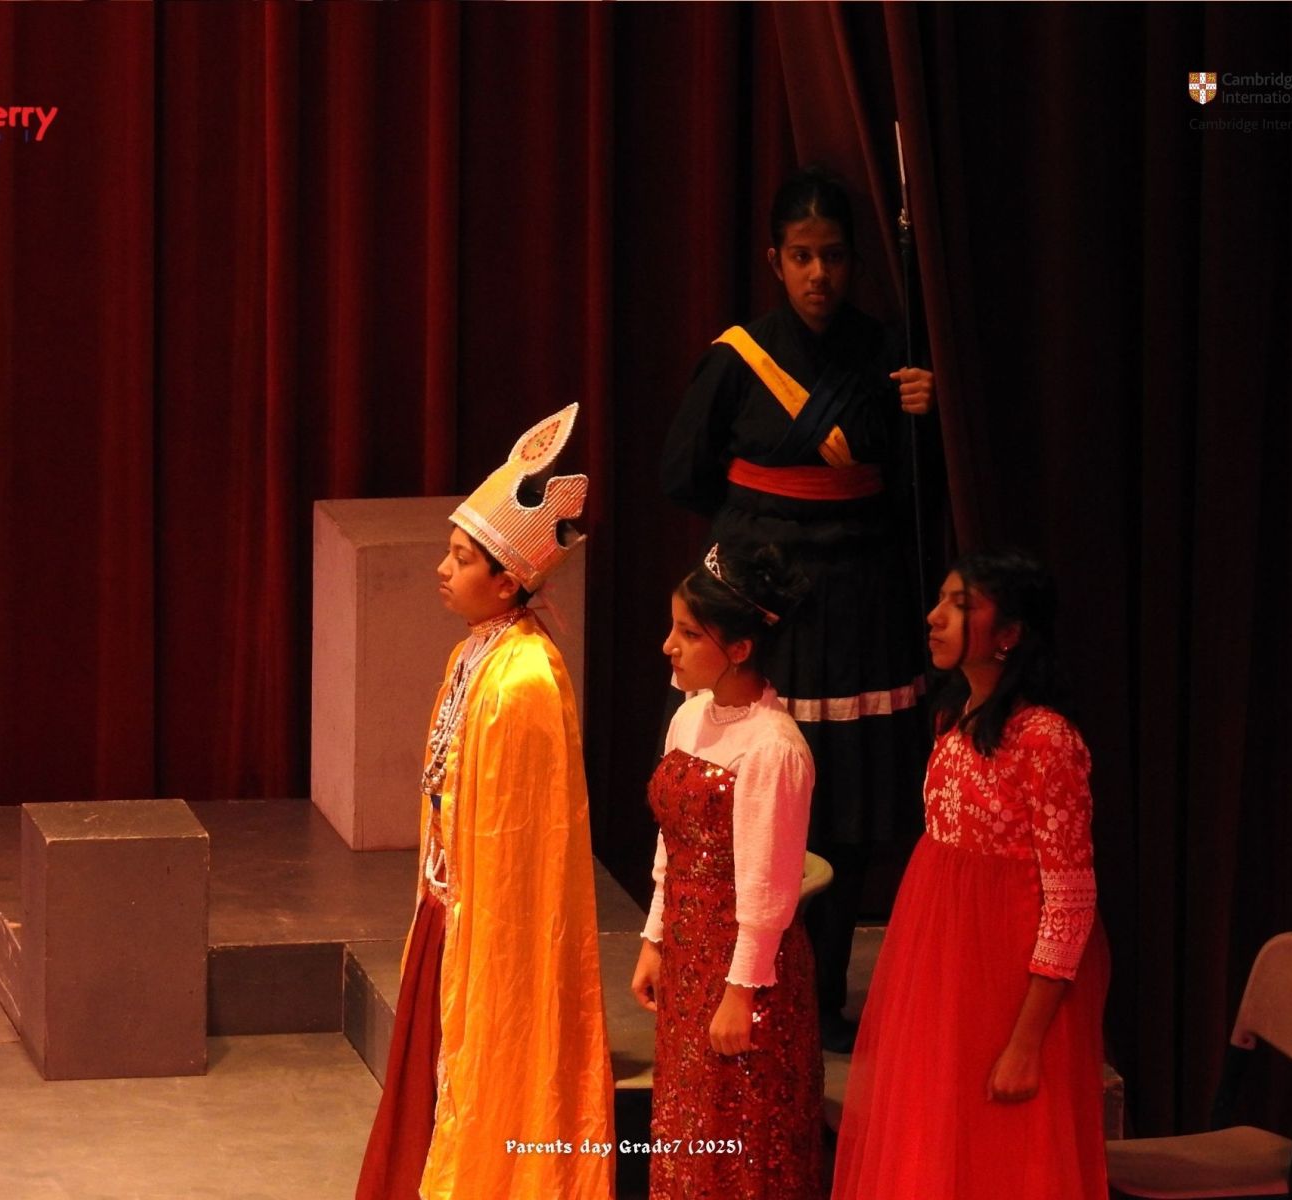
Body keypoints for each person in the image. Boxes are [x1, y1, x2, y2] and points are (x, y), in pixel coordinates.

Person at [661, 165, 937, 1051]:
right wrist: (760, 530)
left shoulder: (890, 356)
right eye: (803, 256)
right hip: (766, 604)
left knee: (843, 801)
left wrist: (924, 420)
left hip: (860, 606)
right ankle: (739, 977)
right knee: (756, 795)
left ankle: (822, 997)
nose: (820, 274)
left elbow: (918, 495)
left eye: (835, 257)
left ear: (854, 262)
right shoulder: (738, 358)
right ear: (775, 260)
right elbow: (683, 475)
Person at [356, 404, 614, 1200]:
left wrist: (475, 923)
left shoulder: (524, 679)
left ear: (507, 581)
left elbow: (523, 840)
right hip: (450, 910)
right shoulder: (476, 652)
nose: (442, 568)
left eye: (461, 558)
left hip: (489, 926)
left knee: (481, 1075)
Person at [830, 549, 1111, 1199]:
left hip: (1009, 982)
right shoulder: (952, 719)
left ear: (1008, 633)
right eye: (939, 601)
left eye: (960, 606)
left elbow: (1070, 900)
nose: (934, 617)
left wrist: (1026, 1042)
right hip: (945, 968)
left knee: (1003, 1155)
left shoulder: (1045, 739)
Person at [630, 544, 824, 1199]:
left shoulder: (774, 748)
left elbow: (771, 889)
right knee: (689, 1125)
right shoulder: (689, 717)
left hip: (747, 970)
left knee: (742, 1137)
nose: (669, 646)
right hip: (688, 957)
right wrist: (654, 940)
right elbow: (672, 848)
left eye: (689, 634)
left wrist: (741, 992)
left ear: (739, 649)